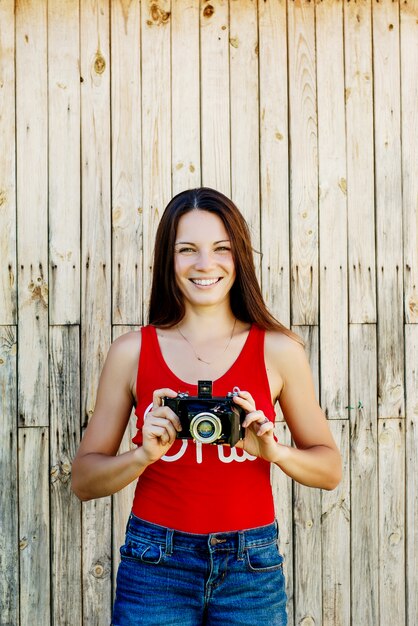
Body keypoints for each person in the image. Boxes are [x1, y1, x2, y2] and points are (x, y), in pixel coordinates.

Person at [72, 187, 342, 626]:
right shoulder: (131, 352)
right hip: (155, 561)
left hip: (250, 566)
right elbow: (83, 481)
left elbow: (330, 470)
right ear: (168, 259)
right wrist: (142, 454)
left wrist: (274, 452)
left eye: (221, 248)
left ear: (239, 258)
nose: (204, 264)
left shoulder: (278, 349)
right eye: (187, 250)